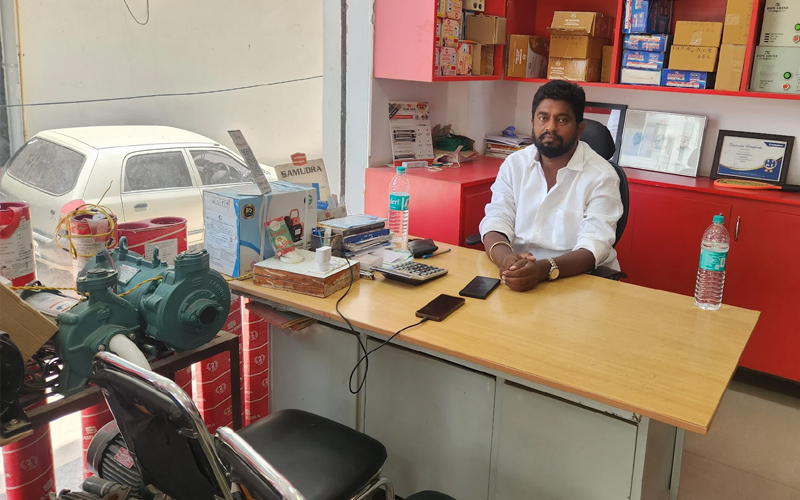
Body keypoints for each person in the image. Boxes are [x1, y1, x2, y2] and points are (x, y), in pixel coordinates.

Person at [479, 80, 623, 292]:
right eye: (543, 118)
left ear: (579, 129)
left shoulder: (602, 176)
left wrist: (543, 270)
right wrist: (506, 259)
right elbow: (496, 219)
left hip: (577, 281)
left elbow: (595, 245)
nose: (550, 127)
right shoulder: (514, 164)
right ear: (533, 122)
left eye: (562, 119)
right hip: (516, 275)